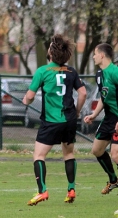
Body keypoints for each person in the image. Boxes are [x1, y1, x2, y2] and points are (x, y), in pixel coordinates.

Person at [22, 34, 87, 206]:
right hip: (69, 119)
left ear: (51, 52)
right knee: (69, 153)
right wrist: (77, 111)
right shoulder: (71, 71)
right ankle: (71, 189)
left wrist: (26, 100)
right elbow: (83, 93)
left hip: (51, 121)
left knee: (39, 155)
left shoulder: (43, 71)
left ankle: (42, 191)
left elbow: (29, 96)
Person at [84, 43, 118, 195]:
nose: (93, 56)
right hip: (109, 117)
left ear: (102, 55)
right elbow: (104, 98)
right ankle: (113, 180)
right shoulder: (99, 74)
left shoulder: (115, 72)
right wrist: (94, 114)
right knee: (97, 150)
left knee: (116, 154)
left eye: (95, 53)